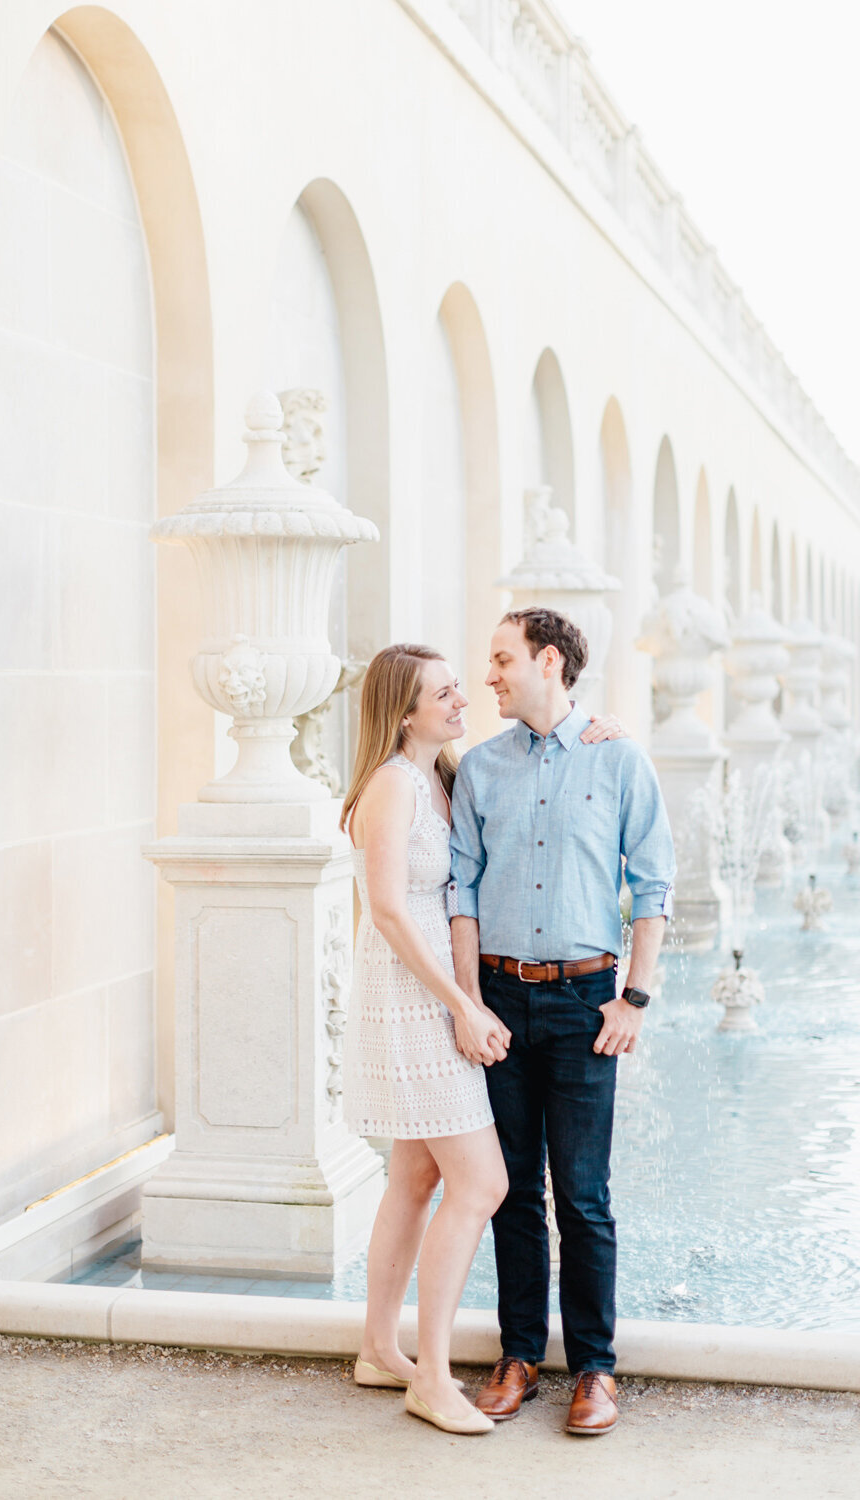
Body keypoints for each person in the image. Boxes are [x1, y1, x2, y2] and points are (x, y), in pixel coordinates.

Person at [340, 642, 624, 1436]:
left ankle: (375, 1346)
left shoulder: (444, 776)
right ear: (403, 709)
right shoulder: (393, 787)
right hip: (415, 996)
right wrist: (462, 1004)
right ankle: (431, 1377)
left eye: (463, 687)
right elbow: (390, 911)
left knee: (414, 1177)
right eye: (444, 692)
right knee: (485, 1185)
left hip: (439, 993)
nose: (463, 698)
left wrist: (602, 726)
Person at [448, 608, 676, 1437]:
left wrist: (635, 1000)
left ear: (550, 662)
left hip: (588, 1002)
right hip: (501, 1003)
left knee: (582, 1194)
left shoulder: (618, 759)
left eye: (503, 658)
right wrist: (470, 1003)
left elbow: (653, 888)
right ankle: (517, 1357)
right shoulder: (478, 768)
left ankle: (594, 1369)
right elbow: (460, 892)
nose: (490, 675)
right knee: (510, 1187)